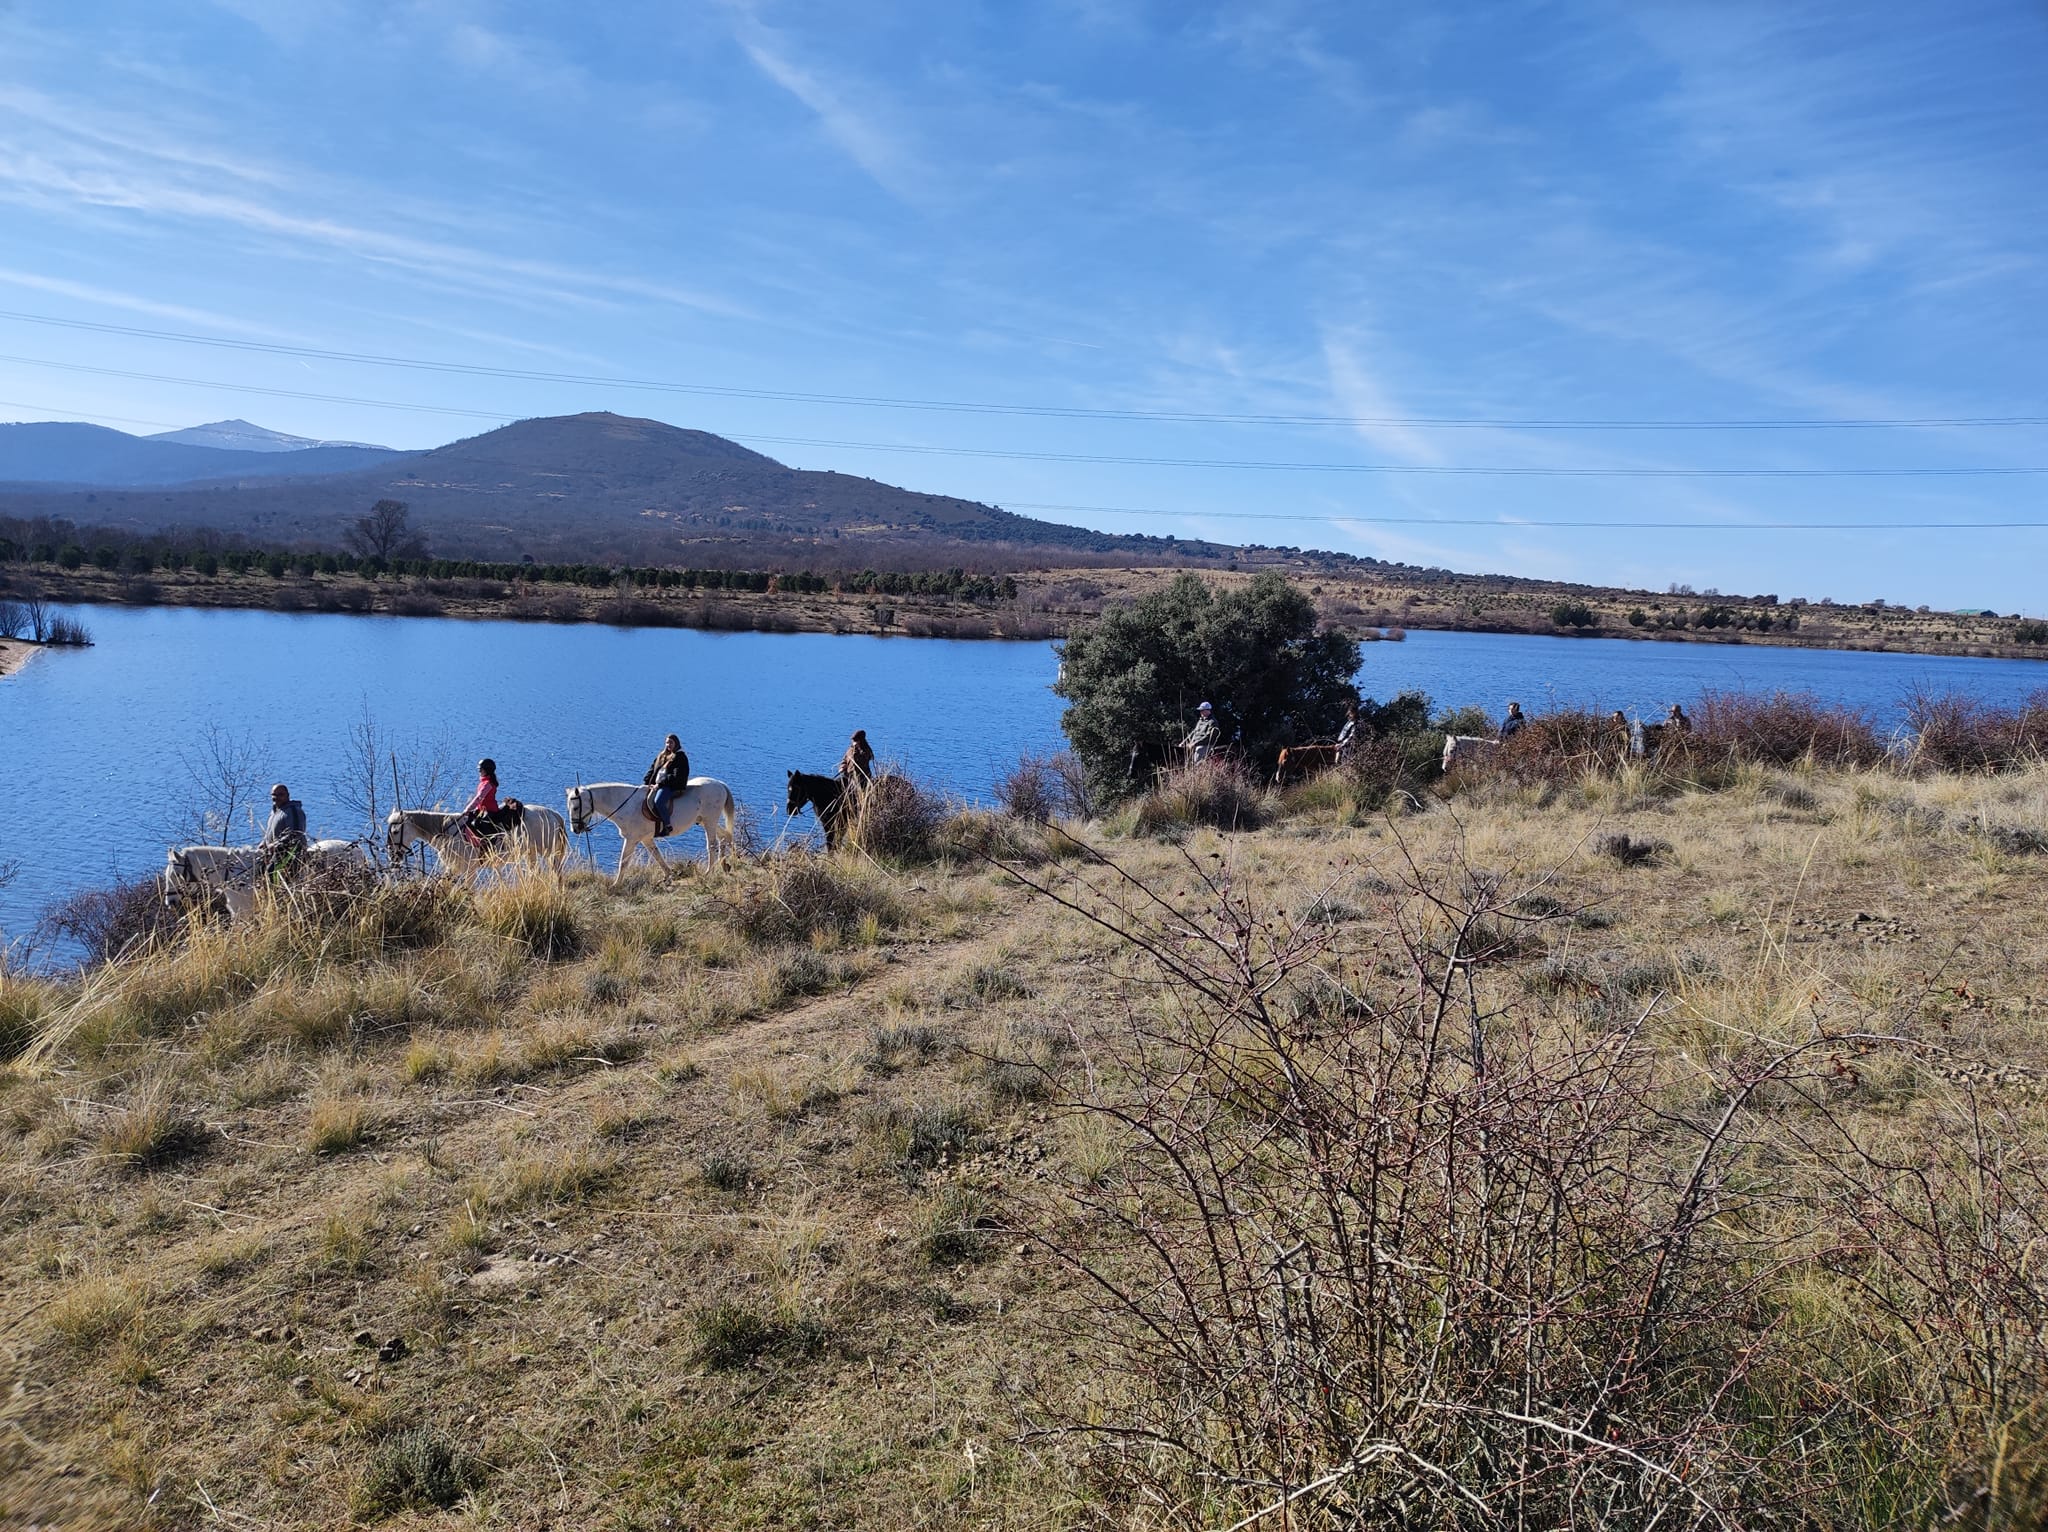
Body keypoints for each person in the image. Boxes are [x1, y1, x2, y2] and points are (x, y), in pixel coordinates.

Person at [643, 734, 689, 837]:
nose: (669, 745)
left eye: (671, 743)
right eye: (667, 742)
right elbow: (653, 769)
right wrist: (647, 782)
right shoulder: (662, 755)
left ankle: (667, 825)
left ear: (676, 743)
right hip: (659, 784)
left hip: (672, 786)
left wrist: (659, 784)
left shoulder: (680, 757)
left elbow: (676, 776)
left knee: (658, 801)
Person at [258, 782, 308, 877]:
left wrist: (276, 844)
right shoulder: (275, 812)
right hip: (275, 854)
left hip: (291, 854)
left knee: (270, 873)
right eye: (274, 795)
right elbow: (271, 832)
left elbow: (295, 833)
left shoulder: (293, 811)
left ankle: (275, 891)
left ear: (288, 795)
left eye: (281, 795)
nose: (277, 797)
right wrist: (264, 842)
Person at [463, 757, 506, 846]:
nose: (479, 772)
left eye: (481, 770)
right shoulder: (484, 782)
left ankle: (488, 844)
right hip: (482, 810)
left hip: (489, 811)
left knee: (480, 825)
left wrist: (467, 809)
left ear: (487, 770)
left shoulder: (487, 784)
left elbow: (479, 798)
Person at [1183, 701, 1220, 766]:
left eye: (1202, 710)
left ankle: (1196, 769)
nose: (1201, 712)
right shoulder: (1200, 720)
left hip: (1204, 745)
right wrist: (1183, 742)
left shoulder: (1213, 722)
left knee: (1198, 751)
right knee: (1182, 752)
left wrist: (1195, 743)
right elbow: (1193, 732)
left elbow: (1208, 737)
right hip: (1194, 743)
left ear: (1208, 710)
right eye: (1200, 710)